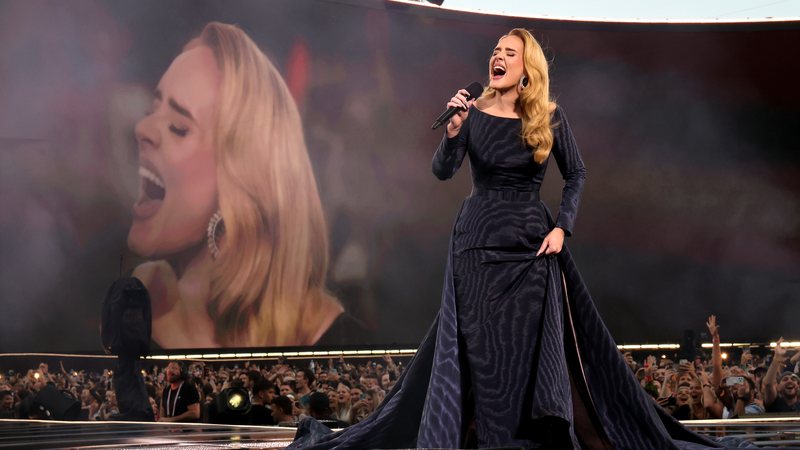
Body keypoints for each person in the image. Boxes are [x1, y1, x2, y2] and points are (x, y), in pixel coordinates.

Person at [290, 29, 736, 449]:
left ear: (527, 70)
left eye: (509, 53)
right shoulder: (470, 112)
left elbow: (577, 173)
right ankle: (485, 436)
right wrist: (451, 134)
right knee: (480, 348)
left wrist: (563, 226)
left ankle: (528, 437)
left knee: (524, 352)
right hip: (476, 242)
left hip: (531, 245)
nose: (498, 57)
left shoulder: (548, 116)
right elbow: (442, 171)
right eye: (496, 50)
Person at [128, 21, 341, 348]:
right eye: (151, 109)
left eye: (178, 127)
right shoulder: (136, 308)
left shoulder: (328, 337)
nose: (142, 128)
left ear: (241, 174)